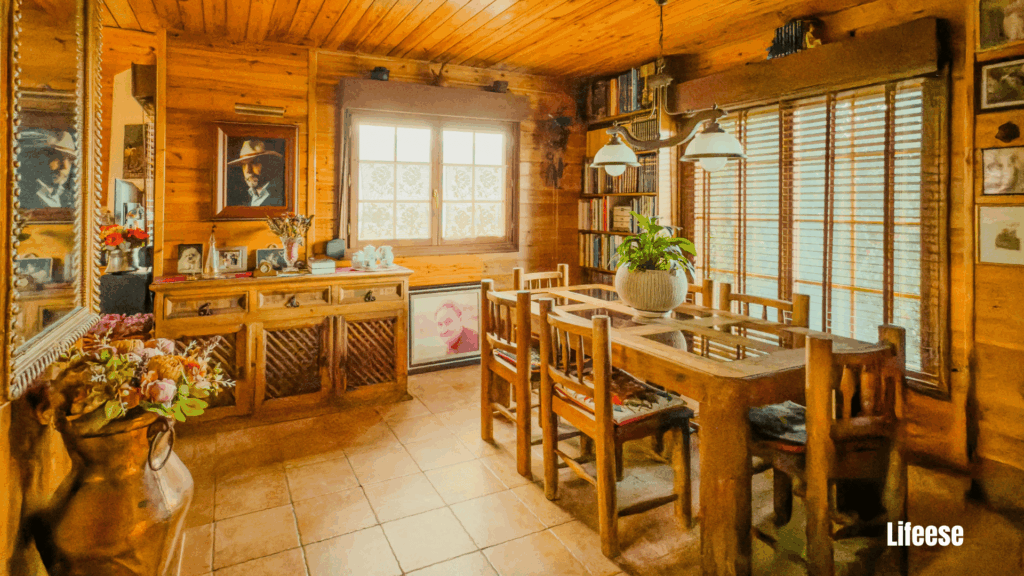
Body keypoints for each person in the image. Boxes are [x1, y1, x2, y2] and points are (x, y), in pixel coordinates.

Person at [22, 131, 75, 210]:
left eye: (70, 160)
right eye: (58, 157)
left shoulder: (68, 197)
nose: (65, 166)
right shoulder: (23, 195)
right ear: (41, 158)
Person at [226, 139, 284, 207]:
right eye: (244, 165)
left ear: (269, 163)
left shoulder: (282, 196)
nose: (248, 171)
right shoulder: (247, 199)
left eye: (254, 163)